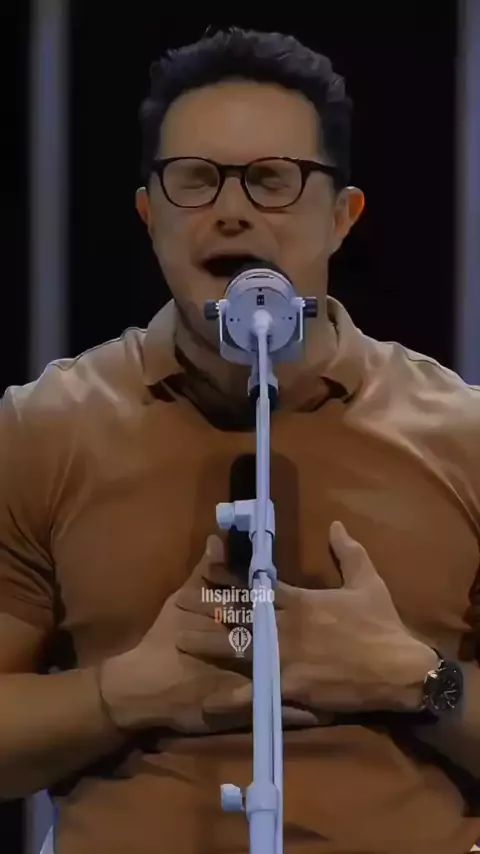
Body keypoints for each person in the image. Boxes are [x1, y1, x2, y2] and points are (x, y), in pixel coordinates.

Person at [0, 26, 479, 854]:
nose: (231, 210)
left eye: (272, 180)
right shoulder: (43, 426)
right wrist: (121, 693)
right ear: (150, 217)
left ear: (342, 217)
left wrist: (416, 678)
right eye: (195, 180)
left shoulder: (462, 433)